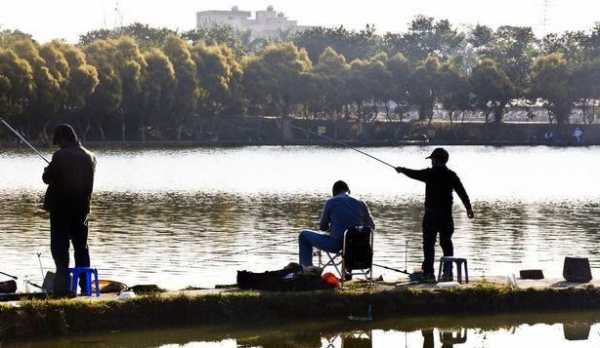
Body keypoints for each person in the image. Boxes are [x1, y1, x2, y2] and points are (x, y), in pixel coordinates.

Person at [396, 148, 473, 282]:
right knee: (446, 243)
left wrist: (402, 170)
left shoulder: (429, 174)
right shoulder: (451, 175)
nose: (431, 162)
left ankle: (428, 274)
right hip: (446, 216)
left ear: (436, 160)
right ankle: (448, 273)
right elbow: (462, 192)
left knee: (428, 244)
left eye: (432, 159)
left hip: (431, 215)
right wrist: (468, 208)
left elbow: (414, 173)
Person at [42, 124, 96, 296]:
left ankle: (62, 289)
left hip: (61, 210)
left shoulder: (60, 155)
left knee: (60, 248)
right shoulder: (91, 157)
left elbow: (47, 178)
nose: (58, 145)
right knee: (81, 248)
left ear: (63, 139)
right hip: (82, 210)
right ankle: (85, 288)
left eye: (58, 142)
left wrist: (47, 169)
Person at [299, 180, 375, 268]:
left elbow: (323, 227)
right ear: (348, 191)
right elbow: (371, 227)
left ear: (334, 192)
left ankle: (306, 269)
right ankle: (348, 272)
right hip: (358, 246)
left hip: (336, 245)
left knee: (303, 235)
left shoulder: (331, 202)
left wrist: (332, 228)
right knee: (350, 235)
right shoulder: (361, 203)